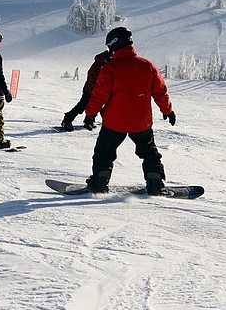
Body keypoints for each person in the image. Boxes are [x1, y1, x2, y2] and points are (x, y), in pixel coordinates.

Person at [83, 27, 176, 195]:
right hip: (141, 123)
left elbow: (99, 95)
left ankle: (99, 183)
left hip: (114, 123)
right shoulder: (147, 66)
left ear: (113, 45)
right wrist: (167, 111)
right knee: (149, 154)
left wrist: (90, 114)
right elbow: (160, 91)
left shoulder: (110, 68)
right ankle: (155, 184)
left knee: (104, 153)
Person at [59, 49, 111, 131]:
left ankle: (89, 121)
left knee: (95, 106)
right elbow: (93, 78)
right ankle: (67, 120)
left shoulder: (105, 64)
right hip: (90, 90)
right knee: (82, 105)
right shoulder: (99, 64)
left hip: (97, 90)